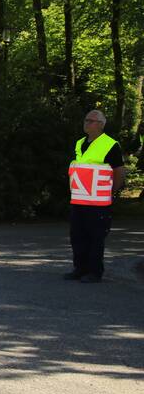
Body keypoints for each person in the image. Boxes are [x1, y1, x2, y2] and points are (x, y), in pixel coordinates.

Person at [65, 109, 126, 283]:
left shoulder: (110, 144)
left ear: (100, 124)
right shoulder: (79, 143)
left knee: (95, 238)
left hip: (98, 202)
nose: (86, 123)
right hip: (78, 199)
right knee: (77, 236)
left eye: (90, 120)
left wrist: (111, 191)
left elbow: (119, 172)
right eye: (85, 120)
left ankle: (94, 272)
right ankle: (80, 269)